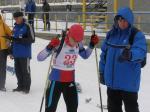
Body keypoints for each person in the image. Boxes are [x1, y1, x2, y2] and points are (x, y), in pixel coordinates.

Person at [37, 24, 99, 112]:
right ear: (69, 35)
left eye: (78, 41)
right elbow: (39, 58)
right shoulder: (60, 43)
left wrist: (91, 45)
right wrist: (49, 47)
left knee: (73, 108)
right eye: (73, 40)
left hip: (70, 81)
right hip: (56, 81)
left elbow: (85, 55)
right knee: (50, 109)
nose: (75, 43)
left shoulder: (78, 43)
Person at [99, 7, 147, 112]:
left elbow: (141, 51)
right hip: (112, 84)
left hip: (128, 84)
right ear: (117, 21)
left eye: (125, 20)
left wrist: (130, 54)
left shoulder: (136, 35)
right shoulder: (111, 35)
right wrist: (102, 72)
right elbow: (104, 55)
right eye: (120, 20)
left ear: (129, 20)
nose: (122, 23)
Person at [7, 12, 35, 94]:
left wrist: (20, 40)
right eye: (14, 18)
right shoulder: (15, 27)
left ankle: (26, 88)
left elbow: (32, 39)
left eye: (17, 18)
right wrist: (11, 52)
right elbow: (13, 40)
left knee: (25, 71)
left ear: (21, 17)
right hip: (16, 54)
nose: (16, 20)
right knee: (18, 71)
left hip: (25, 54)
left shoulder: (27, 26)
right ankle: (20, 86)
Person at [0, 11, 12, 91]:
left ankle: (1, 85)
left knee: (2, 68)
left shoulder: (3, 25)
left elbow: (11, 34)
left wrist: (8, 41)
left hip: (2, 50)